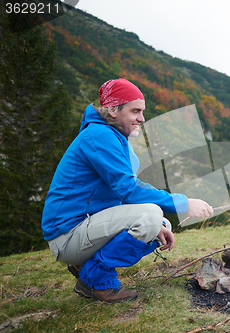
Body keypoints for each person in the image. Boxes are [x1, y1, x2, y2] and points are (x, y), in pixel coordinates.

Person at [41, 78, 213, 303]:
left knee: (160, 224)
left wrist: (157, 223)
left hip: (84, 228)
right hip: (66, 236)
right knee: (150, 216)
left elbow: (123, 192)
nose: (141, 118)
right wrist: (183, 203)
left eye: (142, 111)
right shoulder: (98, 136)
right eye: (135, 111)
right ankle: (94, 278)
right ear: (113, 109)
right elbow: (129, 190)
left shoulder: (115, 138)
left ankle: (87, 267)